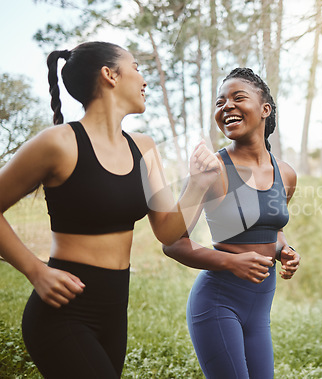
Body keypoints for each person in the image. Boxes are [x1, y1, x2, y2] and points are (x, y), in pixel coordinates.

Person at [0, 41, 221, 378]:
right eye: (136, 67)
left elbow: (166, 229)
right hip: (63, 312)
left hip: (114, 312)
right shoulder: (58, 143)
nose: (144, 80)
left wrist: (199, 183)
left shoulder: (143, 147)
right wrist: (35, 271)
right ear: (109, 75)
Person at [163, 67, 301, 378]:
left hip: (260, 309)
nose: (227, 106)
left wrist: (285, 250)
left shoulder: (286, 173)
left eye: (238, 98)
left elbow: (273, 229)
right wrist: (232, 263)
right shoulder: (213, 169)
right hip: (217, 303)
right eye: (220, 102)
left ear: (265, 109)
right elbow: (173, 243)